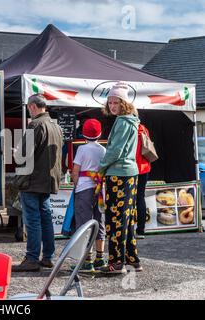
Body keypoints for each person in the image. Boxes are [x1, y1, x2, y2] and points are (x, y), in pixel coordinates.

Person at [12, 94, 64, 272]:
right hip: (48, 180)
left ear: (33, 107)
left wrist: (16, 152)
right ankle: (47, 257)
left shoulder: (35, 124)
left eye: (28, 108)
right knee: (46, 218)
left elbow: (23, 156)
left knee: (33, 220)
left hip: (32, 180)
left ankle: (32, 258)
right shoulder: (56, 126)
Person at [99, 82, 142, 274]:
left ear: (124, 103)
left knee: (115, 219)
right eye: (110, 102)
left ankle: (116, 262)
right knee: (127, 218)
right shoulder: (131, 119)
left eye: (115, 102)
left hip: (119, 174)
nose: (112, 106)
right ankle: (132, 259)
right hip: (129, 173)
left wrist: (100, 169)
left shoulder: (123, 121)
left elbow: (115, 150)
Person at [70, 118, 107, 272]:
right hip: (99, 188)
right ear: (100, 134)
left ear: (83, 134)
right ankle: (100, 258)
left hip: (84, 188)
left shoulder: (82, 150)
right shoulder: (103, 150)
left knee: (84, 223)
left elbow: (75, 171)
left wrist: (75, 184)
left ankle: (87, 260)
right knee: (100, 220)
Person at [135, 123, 152, 239]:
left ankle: (129, 229)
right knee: (140, 197)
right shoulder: (144, 128)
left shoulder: (128, 128)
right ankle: (141, 230)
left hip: (131, 167)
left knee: (129, 199)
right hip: (145, 166)